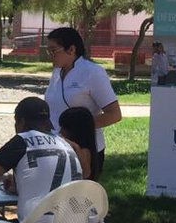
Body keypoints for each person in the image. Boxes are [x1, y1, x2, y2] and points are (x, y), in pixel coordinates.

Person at [42, 27, 122, 178]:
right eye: (48, 51)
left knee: (81, 199)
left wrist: (80, 128)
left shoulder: (93, 72)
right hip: (57, 148)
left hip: (85, 150)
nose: (50, 56)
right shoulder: (56, 72)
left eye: (53, 50)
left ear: (71, 49)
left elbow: (114, 114)